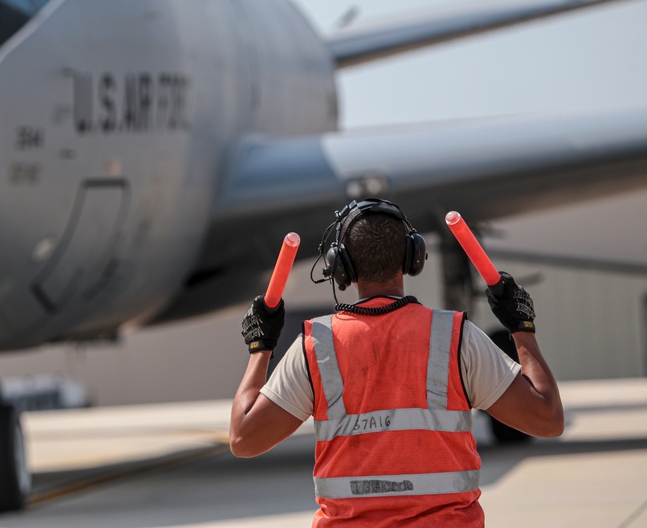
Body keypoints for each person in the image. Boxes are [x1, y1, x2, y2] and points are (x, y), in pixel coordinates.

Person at [230, 199, 563, 527]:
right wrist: (521, 327)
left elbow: (244, 440)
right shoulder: (455, 336)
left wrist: (261, 346)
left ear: (341, 266)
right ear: (412, 257)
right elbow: (547, 420)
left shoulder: (316, 344)